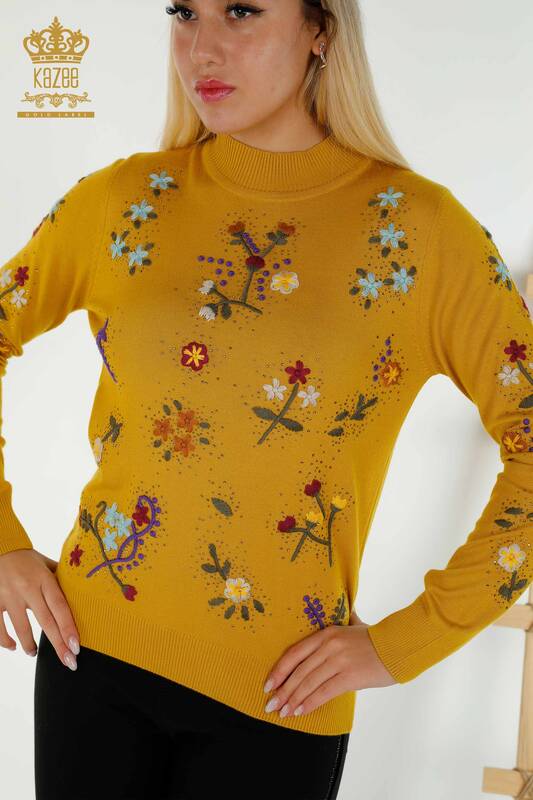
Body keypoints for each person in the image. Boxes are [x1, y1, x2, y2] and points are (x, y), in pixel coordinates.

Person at [0, 1, 531, 797]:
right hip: (91, 662)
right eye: (184, 12)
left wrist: (406, 643)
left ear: (321, 30)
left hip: (280, 700)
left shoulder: (422, 235)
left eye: (241, 11)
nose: (201, 47)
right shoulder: (124, 201)